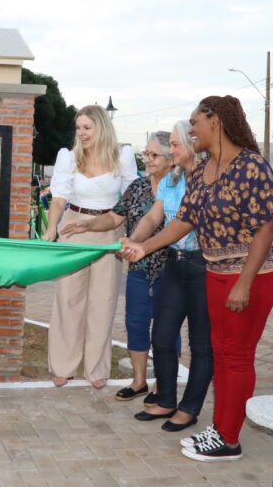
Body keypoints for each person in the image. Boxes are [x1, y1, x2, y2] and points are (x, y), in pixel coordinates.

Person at [122, 95, 273, 462]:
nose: (190, 128)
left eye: (195, 122)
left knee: (237, 356)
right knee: (221, 353)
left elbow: (267, 227)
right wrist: (144, 247)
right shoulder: (205, 169)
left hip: (253, 275)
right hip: (214, 271)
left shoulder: (251, 166)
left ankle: (229, 439)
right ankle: (223, 427)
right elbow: (184, 221)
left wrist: (244, 281)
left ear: (216, 122)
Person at [60, 131, 173, 403]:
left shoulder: (182, 187)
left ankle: (163, 384)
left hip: (172, 269)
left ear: (172, 158)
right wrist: (89, 224)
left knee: (166, 329)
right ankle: (138, 382)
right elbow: (113, 217)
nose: (147, 159)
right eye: (146, 154)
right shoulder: (137, 187)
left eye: (153, 155)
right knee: (136, 323)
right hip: (138, 267)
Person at [42, 104, 137, 388]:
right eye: (78, 128)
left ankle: (96, 369)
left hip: (109, 230)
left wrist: (133, 236)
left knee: (103, 301)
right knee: (68, 299)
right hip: (73, 227)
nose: (81, 133)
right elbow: (58, 198)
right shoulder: (68, 158)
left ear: (101, 128)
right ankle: (63, 365)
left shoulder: (123, 157)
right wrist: (51, 230)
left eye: (87, 128)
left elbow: (133, 199)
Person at [126, 121, 211, 433]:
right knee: (161, 337)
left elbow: (185, 225)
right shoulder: (171, 180)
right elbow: (153, 216)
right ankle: (165, 400)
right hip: (173, 264)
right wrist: (135, 241)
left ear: (190, 145)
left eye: (175, 145)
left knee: (200, 344)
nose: (171, 150)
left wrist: (143, 247)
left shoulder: (208, 178)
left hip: (203, 266)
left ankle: (189, 409)